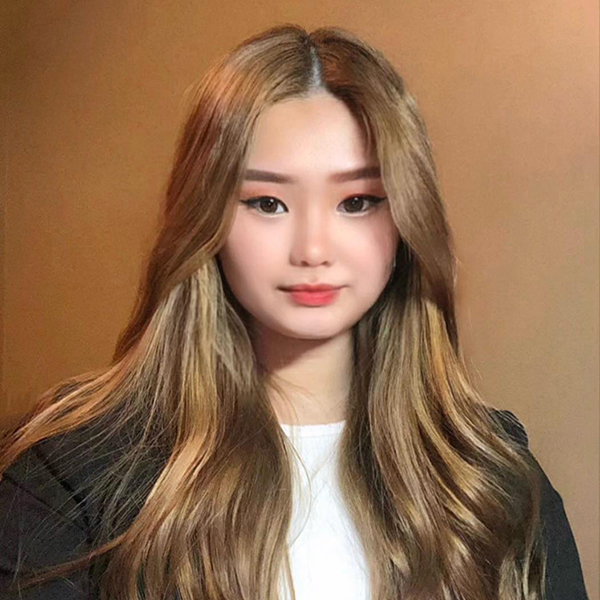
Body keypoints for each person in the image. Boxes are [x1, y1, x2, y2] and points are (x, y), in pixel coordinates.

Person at [0, 23, 589, 600]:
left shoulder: (492, 481)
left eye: (356, 202)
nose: (312, 249)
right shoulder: (70, 476)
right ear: (206, 219)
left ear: (408, 221)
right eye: (268, 203)